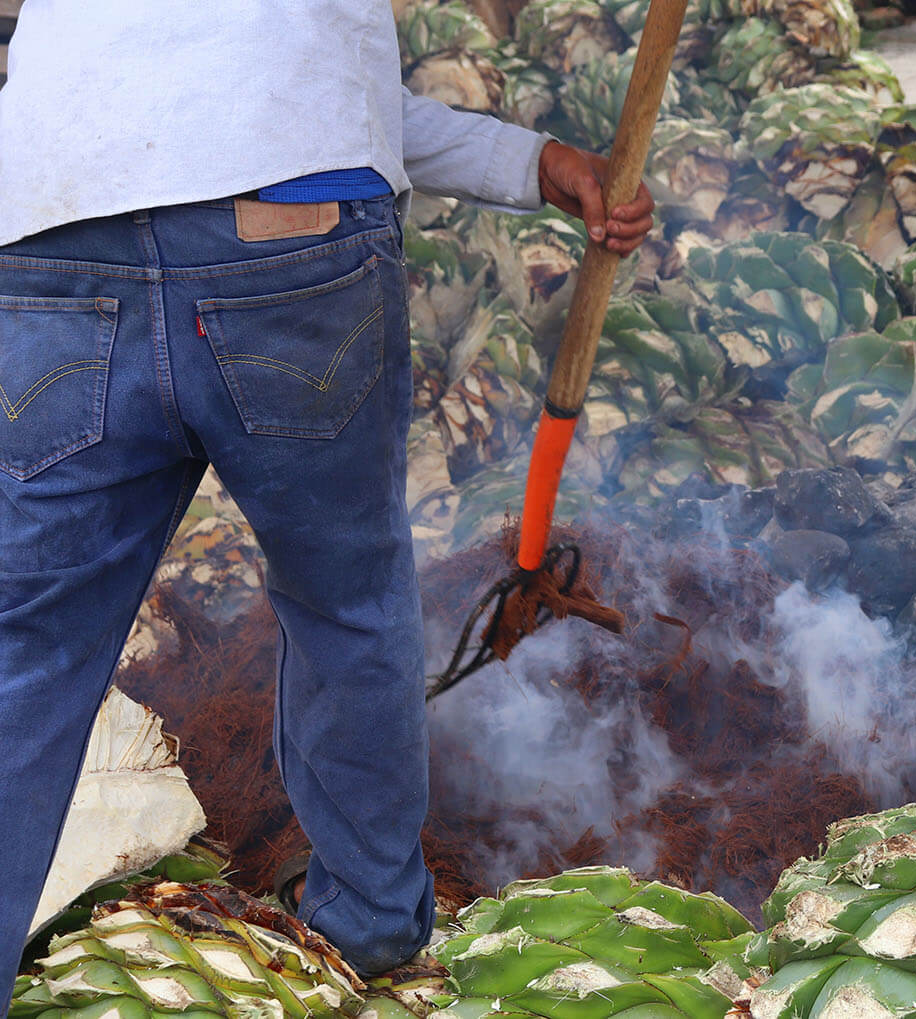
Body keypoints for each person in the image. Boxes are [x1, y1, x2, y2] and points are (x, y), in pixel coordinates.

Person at [0, 0, 654, 1006]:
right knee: (345, 606)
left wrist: (534, 163)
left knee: (25, 656)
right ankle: (369, 939)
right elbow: (305, 97)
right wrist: (533, 159)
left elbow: (277, 86)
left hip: (50, 228)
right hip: (288, 236)